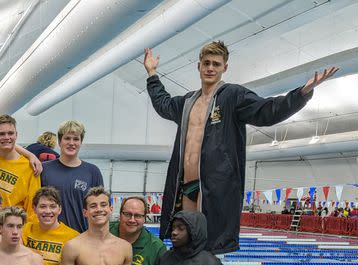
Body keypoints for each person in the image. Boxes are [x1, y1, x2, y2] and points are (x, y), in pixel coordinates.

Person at [144, 42, 338, 254]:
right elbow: (163, 104)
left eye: (216, 64)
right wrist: (152, 74)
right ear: (198, 66)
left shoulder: (233, 96)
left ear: (224, 68)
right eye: (206, 63)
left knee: (208, 247)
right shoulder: (187, 102)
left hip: (215, 185)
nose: (210, 68)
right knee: (183, 243)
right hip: (185, 184)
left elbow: (267, 111)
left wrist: (301, 94)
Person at [40, 120, 104, 232]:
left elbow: (100, 209)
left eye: (76, 139)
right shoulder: (44, 169)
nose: (71, 143)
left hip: (81, 238)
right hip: (50, 239)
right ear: (59, 142)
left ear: (81, 142)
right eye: (67, 138)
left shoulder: (92, 172)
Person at [0, 114, 41, 219]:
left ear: (16, 135)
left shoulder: (30, 167)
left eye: (10, 133)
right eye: (1, 134)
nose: (6, 137)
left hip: (13, 228)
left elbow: (32, 208)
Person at [22, 187, 79, 265]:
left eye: (52, 206)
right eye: (43, 206)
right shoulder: (25, 230)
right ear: (34, 208)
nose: (48, 211)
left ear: (60, 209)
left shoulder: (73, 237)